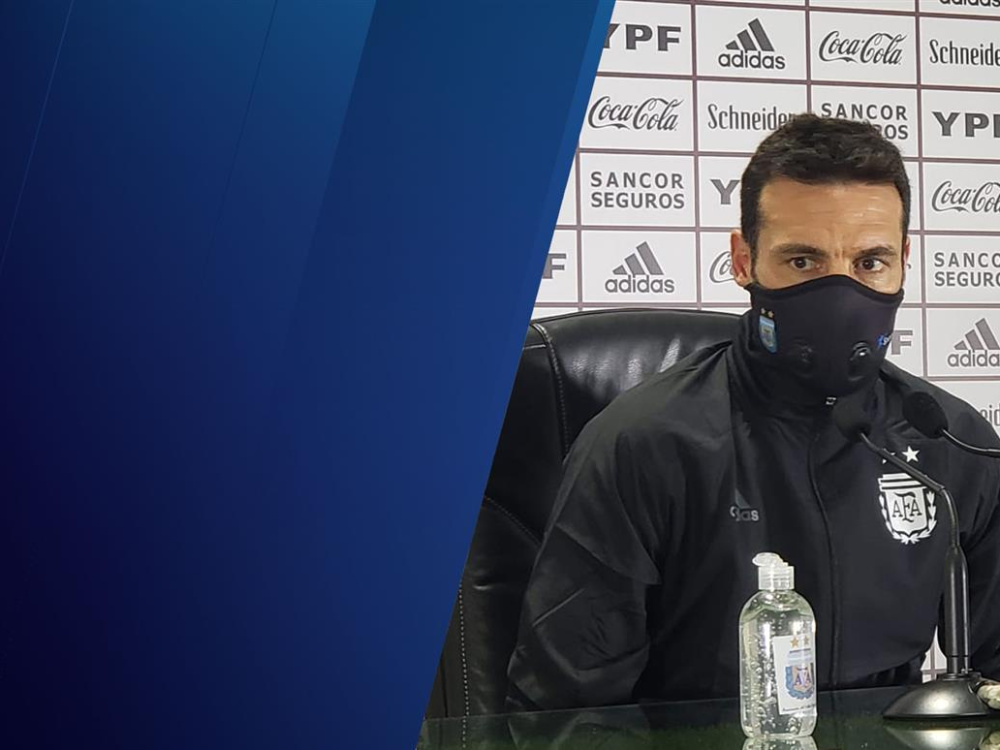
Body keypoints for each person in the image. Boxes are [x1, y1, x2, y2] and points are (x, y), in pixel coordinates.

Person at [505, 114, 1000, 711]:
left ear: (904, 261)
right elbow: (567, 713)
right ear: (744, 261)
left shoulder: (952, 441)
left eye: (870, 262)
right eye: (803, 261)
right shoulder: (644, 444)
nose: (841, 292)